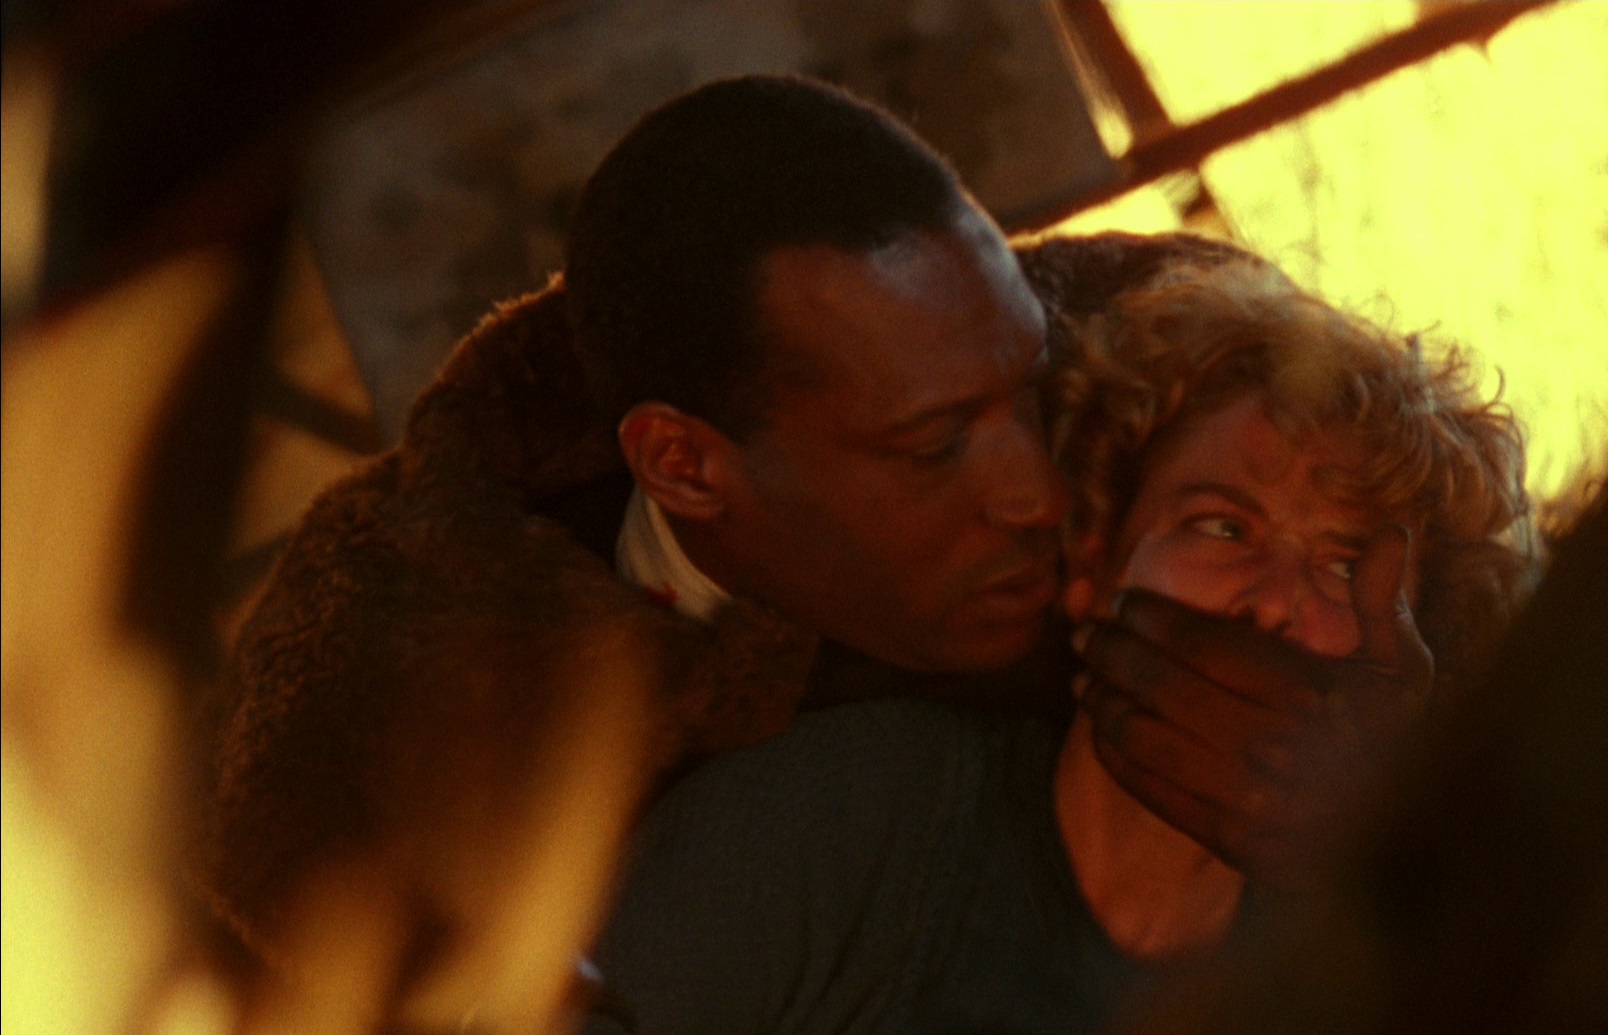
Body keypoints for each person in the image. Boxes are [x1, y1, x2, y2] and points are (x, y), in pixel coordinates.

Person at [201, 74, 1411, 986]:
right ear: (685, 466)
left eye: (1028, 388)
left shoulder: (1174, 392)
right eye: (935, 444)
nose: (1035, 492)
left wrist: (1393, 788)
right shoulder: (385, 746)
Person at [582, 250, 1535, 1034]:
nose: (1274, 604)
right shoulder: (844, 822)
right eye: (1222, 526)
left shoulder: (1365, 971)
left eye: (1341, 566)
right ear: (1092, 562)